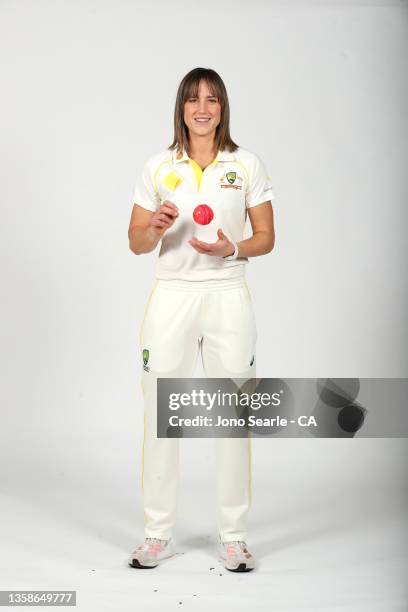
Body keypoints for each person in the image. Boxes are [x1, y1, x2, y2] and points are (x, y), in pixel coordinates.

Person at [127, 67, 275, 572]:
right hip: (172, 296)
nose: (202, 107)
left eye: (212, 98)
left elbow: (266, 238)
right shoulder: (158, 167)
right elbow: (136, 242)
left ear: (223, 106)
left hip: (228, 295)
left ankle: (234, 537)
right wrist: (154, 226)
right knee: (162, 416)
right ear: (182, 108)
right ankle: (156, 535)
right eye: (193, 98)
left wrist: (231, 247)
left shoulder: (245, 165)